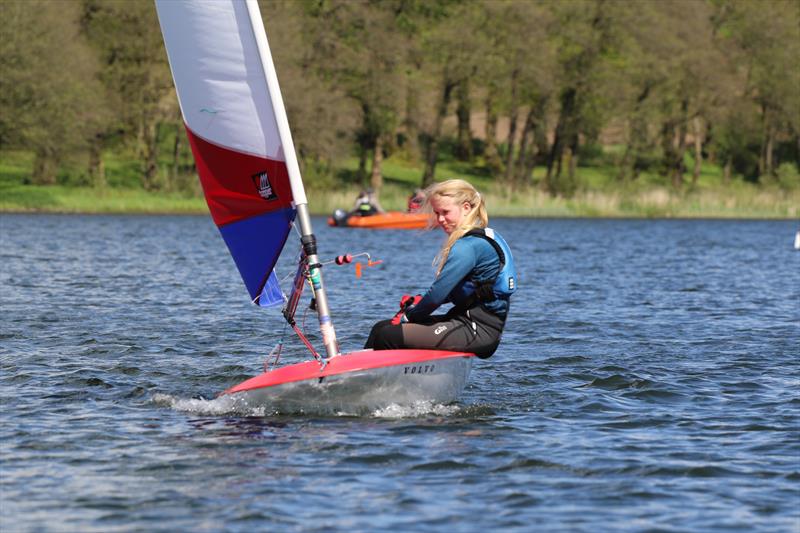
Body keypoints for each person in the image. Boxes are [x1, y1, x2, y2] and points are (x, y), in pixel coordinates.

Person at [365, 179, 516, 358]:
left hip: (478, 330)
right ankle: (355, 376)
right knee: (381, 328)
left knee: (388, 335)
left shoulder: (468, 246)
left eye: (445, 212)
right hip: (464, 321)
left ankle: (381, 384)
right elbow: (462, 290)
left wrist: (410, 316)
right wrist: (419, 303)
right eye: (437, 213)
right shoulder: (482, 236)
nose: (440, 219)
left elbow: (437, 295)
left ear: (466, 207)